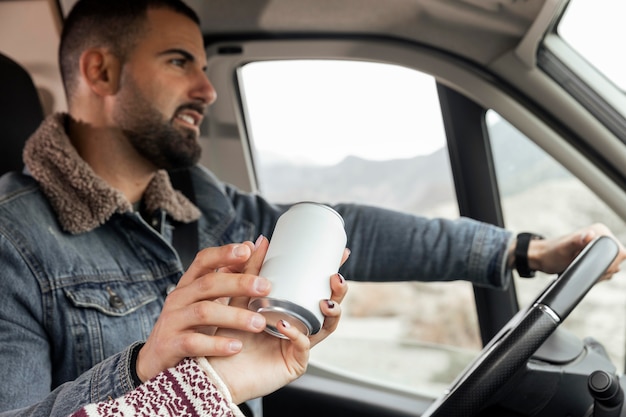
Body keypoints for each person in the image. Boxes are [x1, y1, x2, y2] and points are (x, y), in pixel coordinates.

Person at [0, 0, 624, 416]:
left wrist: (524, 250)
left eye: (204, 63)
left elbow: (356, 230)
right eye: (178, 61)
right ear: (101, 71)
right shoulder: (12, 240)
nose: (207, 87)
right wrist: (143, 369)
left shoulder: (202, 204)